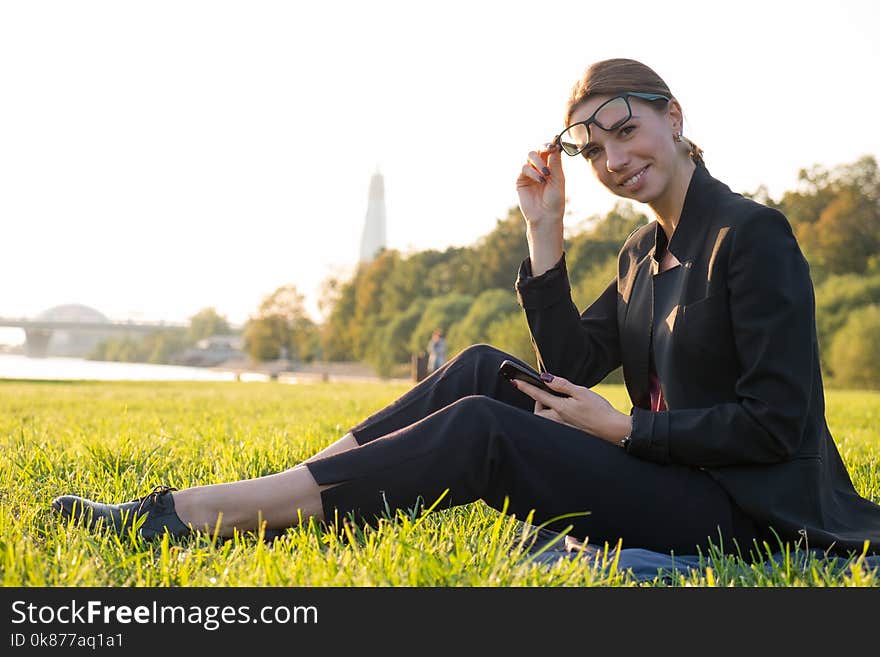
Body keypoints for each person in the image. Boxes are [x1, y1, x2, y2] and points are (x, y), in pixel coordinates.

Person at [52, 58, 880, 559]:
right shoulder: (643, 254)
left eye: (627, 132)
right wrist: (544, 231)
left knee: (482, 426)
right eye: (595, 152)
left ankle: (193, 516)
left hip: (749, 511)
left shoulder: (752, 235)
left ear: (674, 118)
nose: (615, 160)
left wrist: (626, 431)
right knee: (485, 366)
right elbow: (570, 367)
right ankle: (287, 490)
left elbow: (777, 423)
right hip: (675, 475)